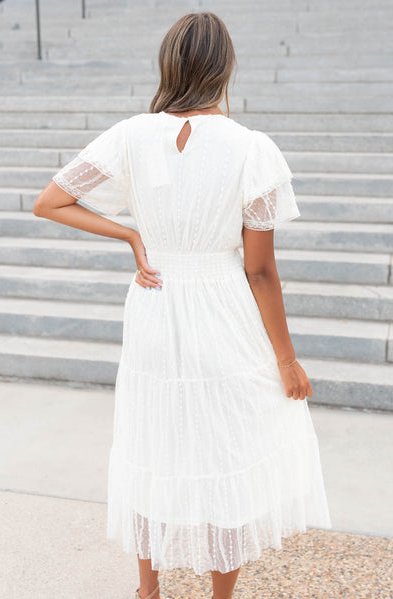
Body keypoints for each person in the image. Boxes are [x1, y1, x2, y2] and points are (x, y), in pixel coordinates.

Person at [33, 11, 332, 599]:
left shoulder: (129, 134)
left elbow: (50, 201)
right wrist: (287, 360)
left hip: (154, 299)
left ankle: (149, 590)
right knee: (230, 445)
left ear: (170, 65)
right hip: (224, 309)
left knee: (151, 439)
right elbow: (260, 268)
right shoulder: (252, 148)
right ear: (224, 69)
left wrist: (133, 236)